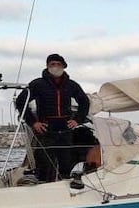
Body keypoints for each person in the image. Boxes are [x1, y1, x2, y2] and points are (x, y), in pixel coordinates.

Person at [15, 53, 91, 182]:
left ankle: (65, 189)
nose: (55, 67)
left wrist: (77, 120)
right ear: (47, 67)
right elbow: (21, 102)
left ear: (64, 66)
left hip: (65, 130)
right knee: (44, 165)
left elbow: (84, 102)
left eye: (58, 64)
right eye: (52, 64)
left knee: (66, 165)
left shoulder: (71, 85)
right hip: (45, 130)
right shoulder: (37, 84)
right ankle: (43, 188)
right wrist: (33, 123)